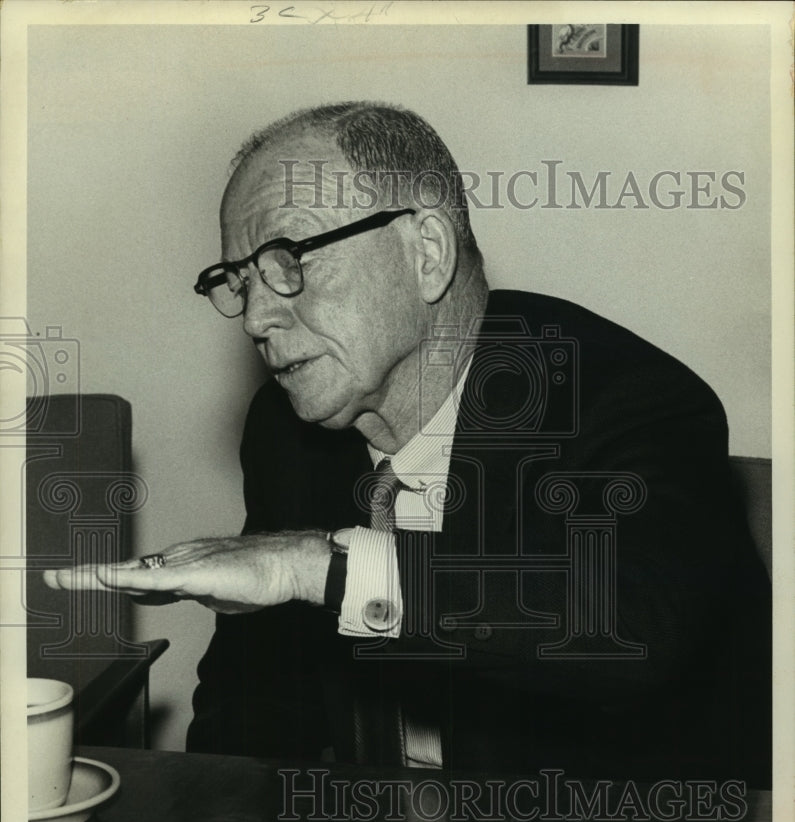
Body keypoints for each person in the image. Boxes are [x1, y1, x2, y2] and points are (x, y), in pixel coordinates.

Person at [45, 102, 771, 785]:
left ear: (425, 251)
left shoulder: (621, 396)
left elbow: (626, 627)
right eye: (238, 280)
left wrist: (314, 565)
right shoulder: (286, 428)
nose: (257, 316)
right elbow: (257, 699)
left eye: (289, 258)